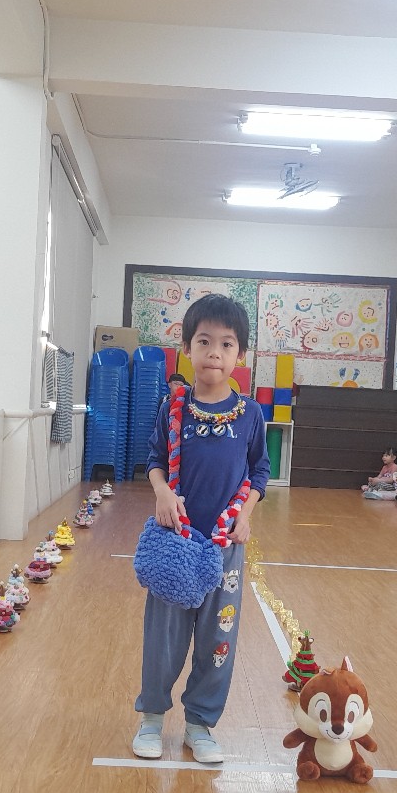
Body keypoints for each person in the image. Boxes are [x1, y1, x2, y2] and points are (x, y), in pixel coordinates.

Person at [133, 294, 270, 765]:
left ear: (240, 355)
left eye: (227, 344)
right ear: (186, 349)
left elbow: (259, 472)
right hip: (176, 544)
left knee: (218, 641)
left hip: (225, 549)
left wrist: (246, 514)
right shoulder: (173, 409)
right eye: (204, 341)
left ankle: (200, 725)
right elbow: (155, 460)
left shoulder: (250, 414)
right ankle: (151, 719)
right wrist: (161, 493)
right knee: (164, 638)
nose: (215, 352)